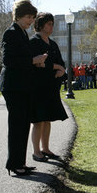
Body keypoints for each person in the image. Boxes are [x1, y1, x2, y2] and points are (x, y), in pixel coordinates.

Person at [0, 0, 47, 176]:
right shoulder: (11, 33)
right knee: (17, 126)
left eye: (33, 17)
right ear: (18, 16)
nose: (31, 21)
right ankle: (14, 164)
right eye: (28, 17)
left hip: (22, 86)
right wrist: (32, 60)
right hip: (13, 87)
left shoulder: (22, 33)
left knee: (23, 126)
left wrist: (36, 63)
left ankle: (20, 162)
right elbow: (8, 61)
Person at [29, 13, 68, 162]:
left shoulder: (53, 44)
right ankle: (36, 151)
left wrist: (61, 70)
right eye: (49, 23)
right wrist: (56, 66)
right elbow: (37, 65)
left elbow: (60, 62)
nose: (52, 26)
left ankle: (45, 148)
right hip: (38, 87)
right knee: (39, 120)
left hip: (51, 87)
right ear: (41, 24)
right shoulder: (33, 42)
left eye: (52, 24)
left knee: (47, 120)